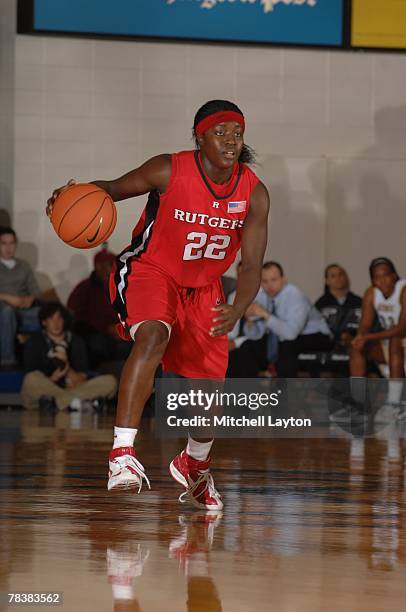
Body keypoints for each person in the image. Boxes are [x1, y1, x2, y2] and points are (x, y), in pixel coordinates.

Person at [47, 100, 270, 510]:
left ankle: (195, 466)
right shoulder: (169, 169)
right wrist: (70, 196)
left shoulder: (254, 193)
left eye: (236, 133)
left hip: (204, 290)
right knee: (152, 336)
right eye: (220, 132)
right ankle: (122, 454)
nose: (230, 141)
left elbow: (252, 265)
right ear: (199, 137)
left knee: (209, 397)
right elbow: (109, 190)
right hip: (152, 271)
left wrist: (239, 307)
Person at [21, 302, 117, 411]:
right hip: (47, 389)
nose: (56, 323)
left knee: (111, 382)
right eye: (51, 319)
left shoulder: (77, 342)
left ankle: (59, 403)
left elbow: (81, 378)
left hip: (73, 389)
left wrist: (66, 368)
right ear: (44, 322)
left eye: (59, 319)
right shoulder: (34, 342)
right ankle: (75, 403)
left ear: (64, 321)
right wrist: (53, 378)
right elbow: (32, 377)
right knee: (31, 380)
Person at [246, 261, 331, 377]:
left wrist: (265, 315)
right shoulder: (262, 296)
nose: (269, 285)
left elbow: (291, 333)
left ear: (284, 279)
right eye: (265, 281)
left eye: (274, 280)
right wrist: (250, 321)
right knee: (248, 346)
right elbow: (256, 334)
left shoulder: (295, 296)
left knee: (287, 345)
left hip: (318, 335)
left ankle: (284, 392)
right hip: (288, 336)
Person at [350, 258, 406, 409]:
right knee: (357, 348)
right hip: (390, 345)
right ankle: (358, 403)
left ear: (394, 276)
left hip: (400, 342)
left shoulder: (404, 290)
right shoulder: (371, 293)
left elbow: (402, 328)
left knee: (395, 339)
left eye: (386, 275)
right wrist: (361, 337)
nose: (382, 280)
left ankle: (394, 404)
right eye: (377, 277)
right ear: (373, 280)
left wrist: (368, 336)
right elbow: (365, 326)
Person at [67, 248, 132, 368]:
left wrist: (125, 327)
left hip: (121, 331)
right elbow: (76, 317)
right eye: (109, 265)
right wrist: (107, 328)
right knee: (98, 345)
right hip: (95, 334)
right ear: (98, 267)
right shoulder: (84, 289)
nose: (113, 269)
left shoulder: (122, 286)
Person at [0, 226, 41, 368]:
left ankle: (47, 360)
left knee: (51, 314)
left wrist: (29, 300)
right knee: (7, 312)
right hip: (3, 310)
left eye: (11, 243)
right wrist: (7, 297)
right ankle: (7, 361)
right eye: (4, 243)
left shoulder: (24, 266)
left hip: (23, 310)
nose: (8, 247)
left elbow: (35, 292)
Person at [227, 262, 269, 378]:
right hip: (239, 343)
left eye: (246, 274)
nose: (242, 278)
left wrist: (236, 343)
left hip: (259, 343)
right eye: (239, 274)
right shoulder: (233, 296)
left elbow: (259, 333)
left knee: (243, 352)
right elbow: (232, 329)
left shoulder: (264, 295)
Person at [315, 264, 362, 349]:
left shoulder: (358, 302)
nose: (338, 278)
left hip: (355, 345)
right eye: (333, 276)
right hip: (327, 347)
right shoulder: (320, 304)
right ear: (327, 281)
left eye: (340, 274)